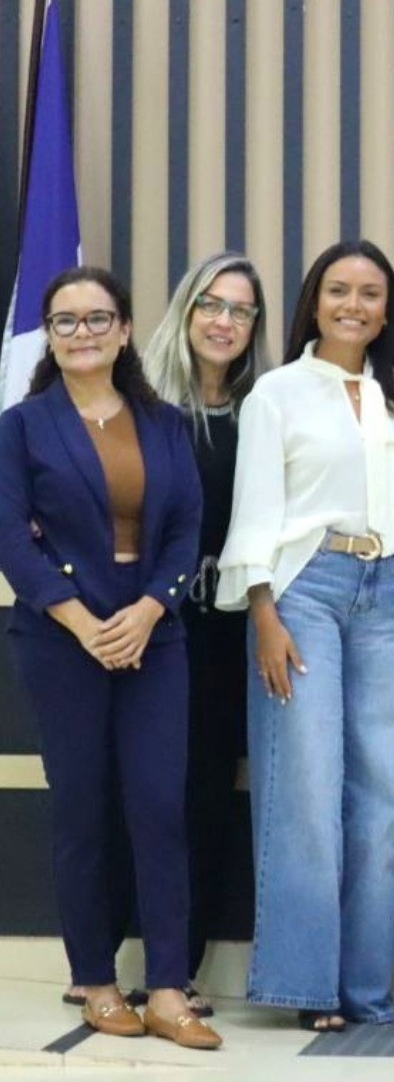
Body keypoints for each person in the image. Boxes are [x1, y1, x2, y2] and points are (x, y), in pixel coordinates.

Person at [0, 268, 220, 1050]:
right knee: (84, 809)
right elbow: (8, 536)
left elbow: (186, 526)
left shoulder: (160, 423)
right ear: (49, 336)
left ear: (126, 330)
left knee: (160, 807)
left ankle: (166, 988)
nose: (82, 333)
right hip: (61, 641)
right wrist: (80, 620)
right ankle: (94, 979)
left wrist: (152, 605)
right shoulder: (22, 426)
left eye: (98, 319)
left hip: (153, 637)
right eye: (66, 321)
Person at [216, 240, 394, 1031]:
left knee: (379, 795)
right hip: (304, 591)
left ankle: (366, 989)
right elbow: (256, 508)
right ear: (315, 299)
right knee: (305, 791)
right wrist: (263, 610)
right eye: (339, 290)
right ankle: (306, 987)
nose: (354, 305)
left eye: (371, 294)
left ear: (386, 309)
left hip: (387, 595)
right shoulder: (277, 392)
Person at [142, 251, 272, 1015]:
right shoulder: (145, 404)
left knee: (205, 793)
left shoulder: (265, 404)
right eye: (211, 304)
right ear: (186, 310)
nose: (224, 321)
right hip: (151, 626)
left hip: (228, 632)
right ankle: (118, 956)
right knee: (144, 793)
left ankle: (177, 969)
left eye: (242, 310)